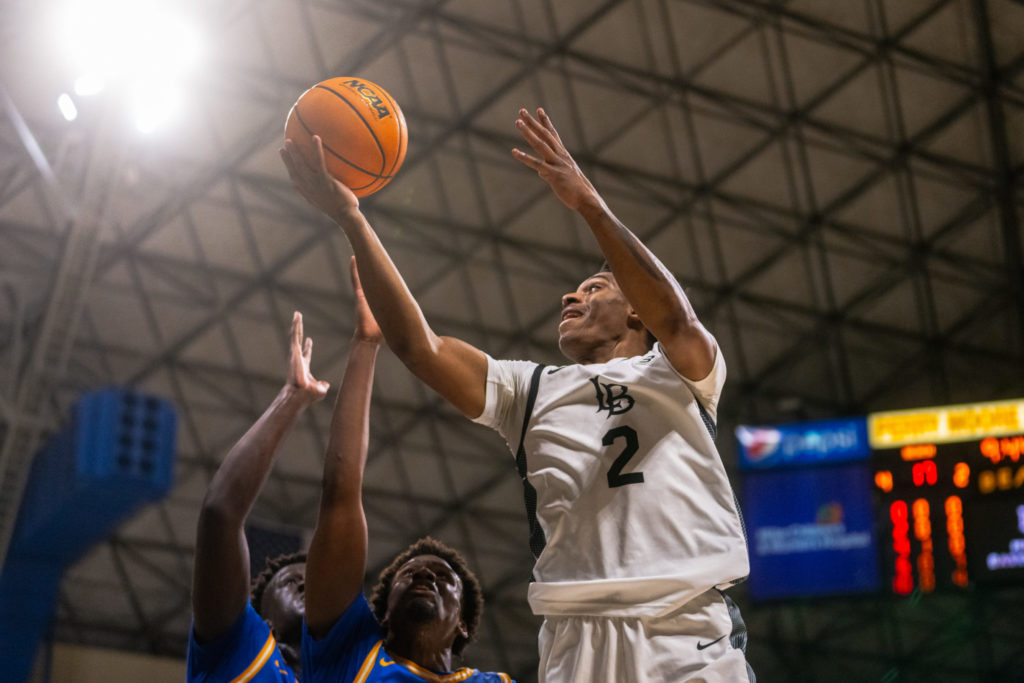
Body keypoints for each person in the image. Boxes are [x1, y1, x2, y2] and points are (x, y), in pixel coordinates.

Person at [281, 108, 753, 682]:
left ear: (634, 307)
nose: (568, 298)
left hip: (684, 627)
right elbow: (420, 347)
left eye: (593, 287)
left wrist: (588, 205)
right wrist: (352, 218)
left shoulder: (683, 372)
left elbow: (676, 318)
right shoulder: (529, 391)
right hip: (576, 640)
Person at [300, 257, 515, 682]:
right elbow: (340, 493)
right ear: (380, 617)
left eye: (440, 576)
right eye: (409, 575)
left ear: (464, 625)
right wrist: (365, 344)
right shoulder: (349, 654)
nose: (423, 576)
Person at [188, 311, 329, 681]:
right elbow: (220, 514)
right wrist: (292, 399)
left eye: (314, 581)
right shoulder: (239, 648)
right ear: (262, 620)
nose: (305, 583)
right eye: (291, 581)